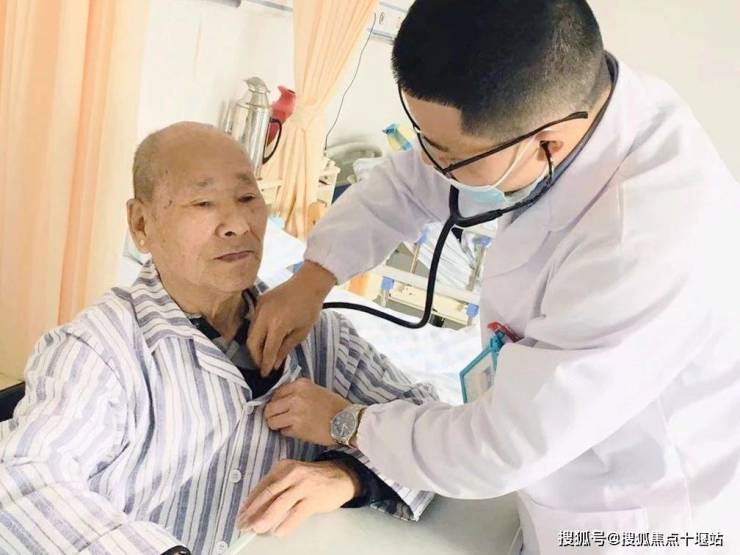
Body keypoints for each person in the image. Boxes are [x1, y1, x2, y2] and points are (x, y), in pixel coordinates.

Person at [246, 1, 740, 554]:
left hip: (639, 522)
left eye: (448, 154)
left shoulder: (648, 240)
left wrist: (348, 425)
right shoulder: (562, 101)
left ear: (547, 144)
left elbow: (503, 447)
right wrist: (315, 276)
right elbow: (413, 181)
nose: (427, 163)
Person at [0, 122, 435, 555]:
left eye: (247, 198)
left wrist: (347, 473)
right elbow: (25, 481)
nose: (237, 224)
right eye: (203, 203)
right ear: (141, 223)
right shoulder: (99, 351)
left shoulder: (319, 337)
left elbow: (434, 433)